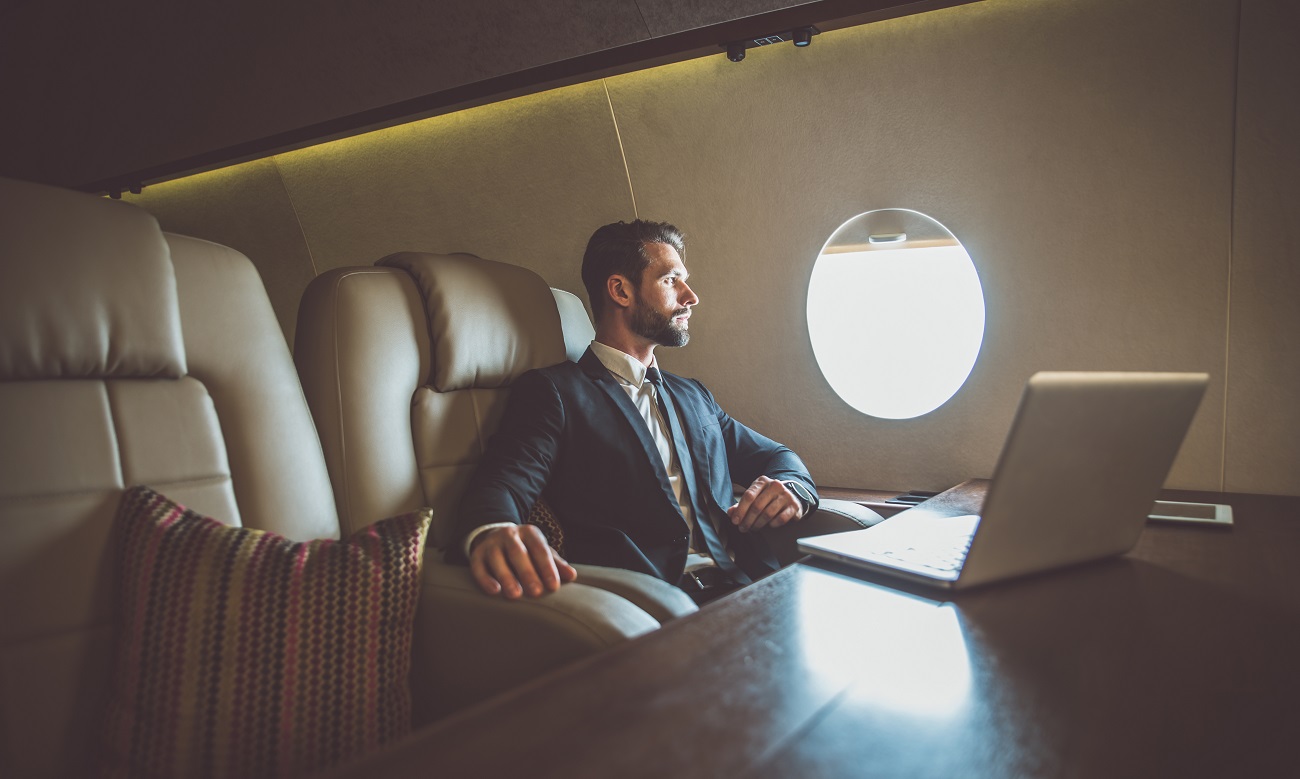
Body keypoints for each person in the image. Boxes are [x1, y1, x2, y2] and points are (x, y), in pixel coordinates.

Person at [455, 219, 819, 604]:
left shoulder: (694, 395)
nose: (690, 296)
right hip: (648, 605)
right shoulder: (556, 392)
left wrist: (791, 488)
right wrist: (493, 531)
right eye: (671, 280)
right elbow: (502, 484)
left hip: (753, 586)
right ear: (621, 291)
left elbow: (778, 457)